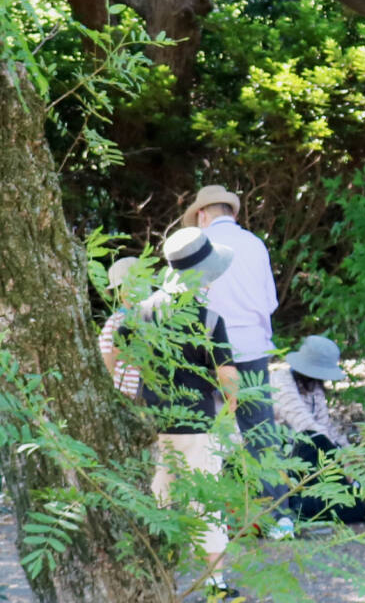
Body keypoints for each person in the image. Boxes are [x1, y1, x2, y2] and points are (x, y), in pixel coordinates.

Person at [126, 227, 244, 602]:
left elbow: (129, 362)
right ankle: (216, 587)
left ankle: (153, 584)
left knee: (156, 505)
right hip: (196, 425)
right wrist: (230, 407)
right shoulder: (209, 318)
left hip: (150, 424)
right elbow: (227, 377)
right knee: (204, 505)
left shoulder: (141, 313)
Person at [182, 185, 293, 534]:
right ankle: (279, 519)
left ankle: (210, 520)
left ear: (202, 215)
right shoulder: (256, 244)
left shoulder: (199, 247)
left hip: (209, 350)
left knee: (203, 435)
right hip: (252, 347)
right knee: (261, 435)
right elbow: (270, 303)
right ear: (231, 213)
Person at [268, 335, 365, 526]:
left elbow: (326, 427)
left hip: (306, 456)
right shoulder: (281, 380)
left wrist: (350, 456)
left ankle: (334, 499)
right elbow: (304, 424)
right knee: (316, 440)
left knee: (355, 508)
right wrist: (340, 458)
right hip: (280, 454)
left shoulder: (314, 389)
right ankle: (303, 504)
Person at [98, 256, 144, 399]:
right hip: (127, 397)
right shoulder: (114, 323)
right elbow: (107, 365)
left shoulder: (158, 316)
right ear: (121, 291)